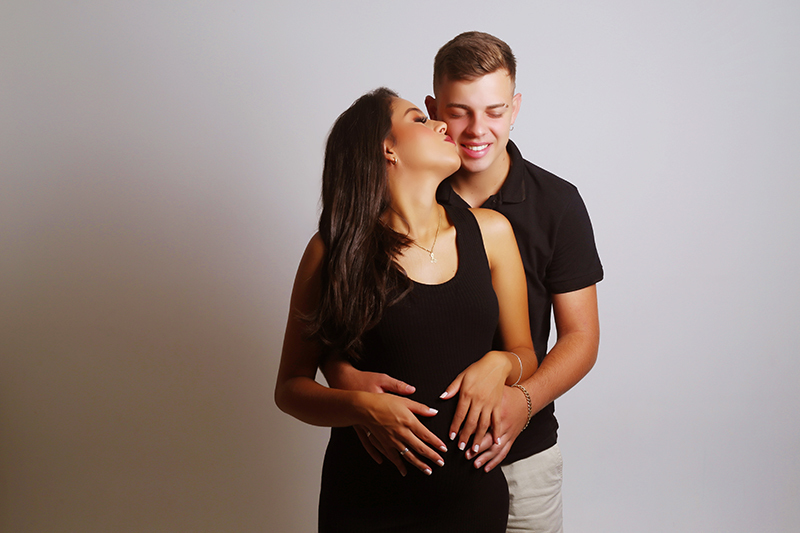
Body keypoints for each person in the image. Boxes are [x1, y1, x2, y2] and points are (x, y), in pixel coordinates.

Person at [324, 33, 603, 533]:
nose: (477, 129)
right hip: (405, 471)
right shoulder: (403, 193)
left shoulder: (557, 203)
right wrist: (345, 379)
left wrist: (522, 400)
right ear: (434, 110)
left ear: (515, 109)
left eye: (495, 111)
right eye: (459, 112)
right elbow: (337, 318)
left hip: (522, 451)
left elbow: (581, 338)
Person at [275, 87, 539, 532]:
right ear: (387, 148)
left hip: (473, 504)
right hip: (365, 506)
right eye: (419, 119)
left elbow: (525, 354)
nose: (441, 124)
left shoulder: (492, 233)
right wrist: (361, 407)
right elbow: (290, 388)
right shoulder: (332, 251)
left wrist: (501, 363)